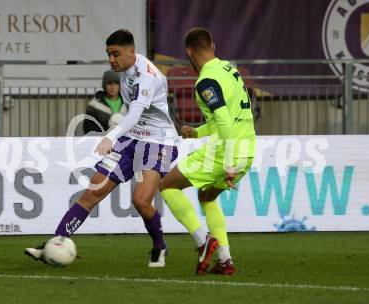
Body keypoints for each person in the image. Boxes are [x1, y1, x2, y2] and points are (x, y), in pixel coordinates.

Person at [25, 29, 178, 268]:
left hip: (159, 142)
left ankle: (160, 247)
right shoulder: (124, 72)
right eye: (108, 54)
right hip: (132, 139)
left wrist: (111, 136)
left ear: (131, 51)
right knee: (91, 193)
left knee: (141, 200)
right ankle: (54, 244)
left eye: (115, 54)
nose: (111, 60)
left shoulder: (146, 75)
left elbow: (136, 113)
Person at [159, 27, 256, 275]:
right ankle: (225, 260)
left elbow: (224, 122)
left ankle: (204, 241)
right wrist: (198, 133)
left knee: (167, 186)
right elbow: (226, 118)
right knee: (207, 197)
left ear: (189, 52)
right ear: (213, 45)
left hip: (226, 153)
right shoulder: (230, 70)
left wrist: (229, 165)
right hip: (248, 150)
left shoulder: (206, 80)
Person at [83, 70, 127, 134]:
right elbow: (88, 127)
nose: (113, 87)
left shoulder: (128, 103)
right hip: (103, 141)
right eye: (109, 83)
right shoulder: (94, 104)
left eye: (116, 83)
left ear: (120, 85)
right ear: (104, 86)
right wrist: (106, 133)